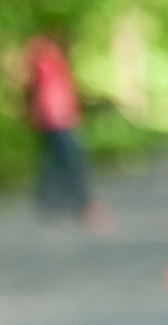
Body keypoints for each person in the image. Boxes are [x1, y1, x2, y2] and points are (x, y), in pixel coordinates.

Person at [24, 31, 108, 229]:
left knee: (57, 163)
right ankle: (79, 203)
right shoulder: (46, 64)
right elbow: (48, 96)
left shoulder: (55, 64)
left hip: (61, 120)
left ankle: (57, 202)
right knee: (69, 162)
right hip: (56, 121)